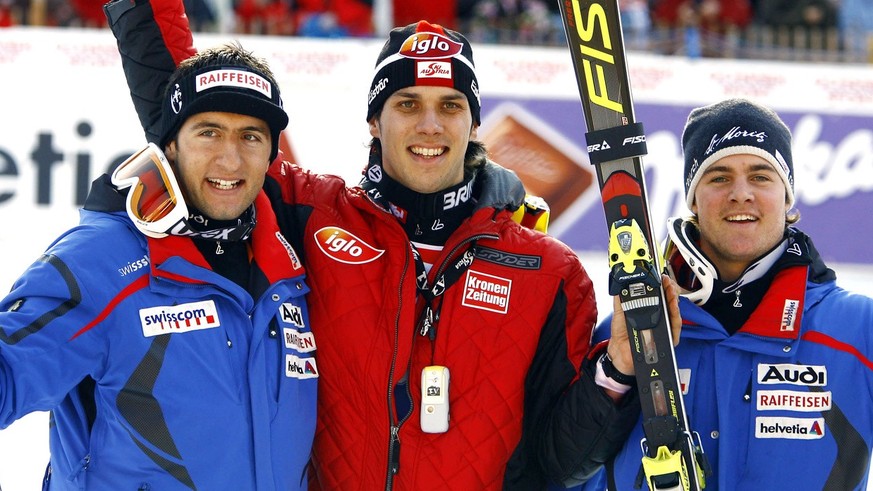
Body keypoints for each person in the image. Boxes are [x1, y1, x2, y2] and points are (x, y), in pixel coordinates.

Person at [99, 0, 681, 488]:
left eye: (450, 106)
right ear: (375, 122)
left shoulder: (548, 272)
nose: (430, 125)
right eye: (407, 105)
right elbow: (193, 109)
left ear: (473, 123)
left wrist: (620, 370)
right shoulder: (307, 217)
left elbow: (560, 461)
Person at [0, 41, 316, 489]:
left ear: (271, 156)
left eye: (251, 135)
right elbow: (10, 371)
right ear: (171, 144)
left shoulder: (294, 273)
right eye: (209, 131)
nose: (230, 158)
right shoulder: (105, 260)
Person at [579, 98, 873, 490]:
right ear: (693, 201)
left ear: (787, 199)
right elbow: (562, 471)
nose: (741, 193)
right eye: (718, 177)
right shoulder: (628, 333)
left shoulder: (857, 330)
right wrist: (614, 375)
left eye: (761, 176)